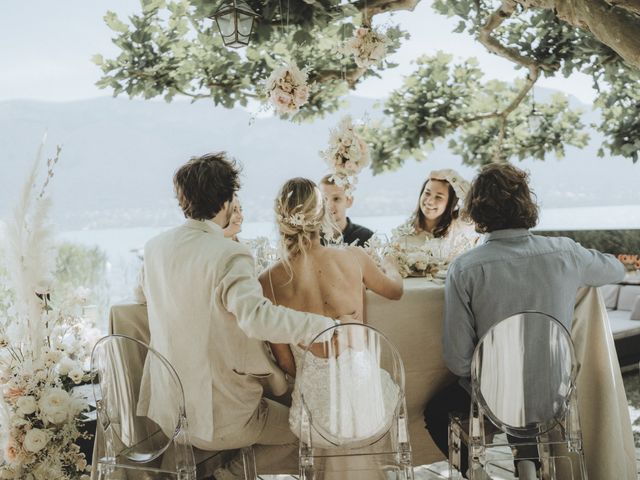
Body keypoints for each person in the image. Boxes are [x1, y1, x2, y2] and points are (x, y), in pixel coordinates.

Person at [138, 153, 347, 480]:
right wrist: (319, 326)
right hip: (220, 419)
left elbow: (142, 296)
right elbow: (257, 319)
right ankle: (227, 477)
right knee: (310, 431)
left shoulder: (156, 247)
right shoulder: (229, 253)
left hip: (169, 414)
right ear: (226, 200)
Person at [424, 163, 625, 478]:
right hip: (556, 391)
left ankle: (477, 473)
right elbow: (616, 269)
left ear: (475, 209)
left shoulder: (464, 268)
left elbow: (459, 361)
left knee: (437, 412)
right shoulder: (564, 252)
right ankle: (528, 464)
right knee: (525, 387)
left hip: (496, 397)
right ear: (526, 202)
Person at [258, 177, 404, 444]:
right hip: (369, 413)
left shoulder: (267, 280)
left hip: (315, 423)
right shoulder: (353, 257)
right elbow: (395, 291)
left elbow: (287, 364)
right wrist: (390, 263)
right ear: (322, 213)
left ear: (281, 219)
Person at [393, 169, 478, 262]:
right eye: (427, 193)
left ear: (450, 203)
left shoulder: (459, 227)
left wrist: (450, 174)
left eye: (438, 197)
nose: (430, 201)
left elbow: (474, 201)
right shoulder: (404, 232)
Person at [319, 173, 373, 247]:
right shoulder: (310, 238)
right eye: (324, 199)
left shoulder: (367, 237)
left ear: (349, 201)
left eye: (336, 198)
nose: (329, 205)